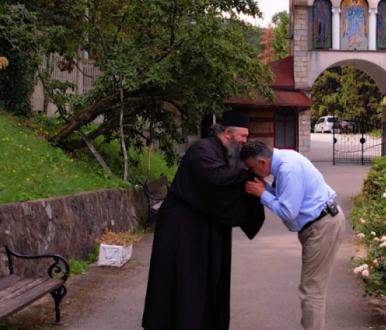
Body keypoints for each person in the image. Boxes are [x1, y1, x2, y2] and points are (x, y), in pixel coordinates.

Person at [142, 112, 265, 330]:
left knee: (204, 277)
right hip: (180, 226)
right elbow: (216, 178)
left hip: (200, 223)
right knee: (184, 277)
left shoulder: (222, 152)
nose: (245, 141)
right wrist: (248, 178)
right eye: (243, 136)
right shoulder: (203, 149)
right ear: (228, 133)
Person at [241, 140, 346, 330]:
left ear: (263, 162)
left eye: (251, 168)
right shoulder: (284, 160)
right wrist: (269, 189)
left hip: (323, 226)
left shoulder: (288, 169)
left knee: (312, 292)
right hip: (320, 224)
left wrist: (263, 194)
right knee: (313, 290)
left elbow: (289, 211)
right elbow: (290, 194)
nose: (251, 173)